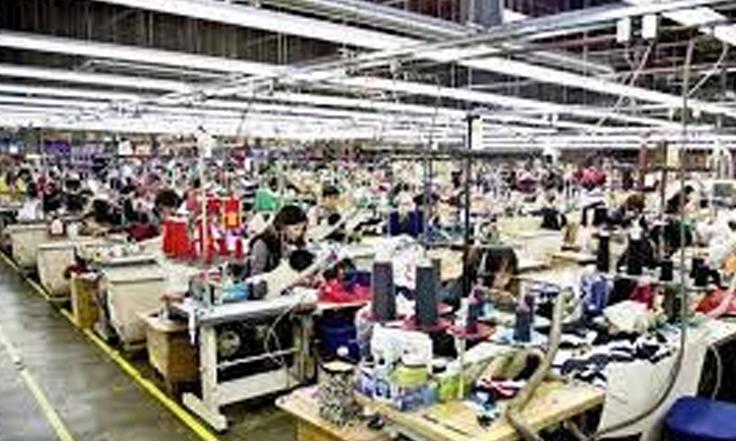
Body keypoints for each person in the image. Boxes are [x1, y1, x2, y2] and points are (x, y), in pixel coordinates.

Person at [246, 205, 308, 277]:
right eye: (296, 229)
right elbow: (255, 276)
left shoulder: (285, 243)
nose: (299, 233)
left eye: (302, 229)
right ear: (283, 226)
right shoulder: (261, 245)